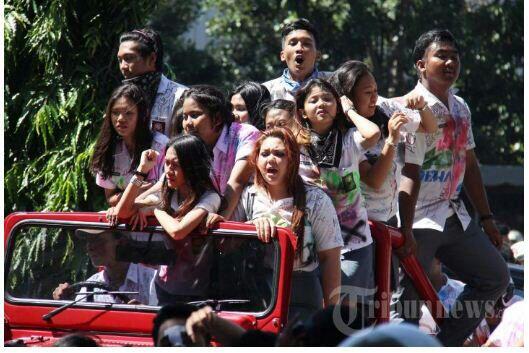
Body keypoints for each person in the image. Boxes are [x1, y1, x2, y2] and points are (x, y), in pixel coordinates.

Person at [394, 29, 510, 346]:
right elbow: (408, 173)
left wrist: (486, 218)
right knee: (405, 305)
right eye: (441, 55)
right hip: (415, 218)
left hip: (455, 215)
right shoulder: (405, 108)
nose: (449, 61)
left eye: (454, 56)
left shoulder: (461, 107)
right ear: (421, 64)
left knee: (496, 277)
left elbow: (469, 164)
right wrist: (404, 230)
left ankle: (442, 346)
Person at [215, 128, 343, 322]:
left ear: (292, 160)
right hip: (256, 293)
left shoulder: (316, 200)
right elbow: (224, 246)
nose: (270, 159)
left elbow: (330, 259)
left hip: (302, 294)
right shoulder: (248, 197)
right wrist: (250, 228)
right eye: (264, 154)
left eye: (279, 154)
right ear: (256, 160)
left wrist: (332, 318)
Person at [294, 79, 380, 308]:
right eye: (313, 100)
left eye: (328, 99)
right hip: (310, 245)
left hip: (352, 242)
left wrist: (349, 109)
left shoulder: (349, 138)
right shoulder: (294, 144)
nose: (321, 103)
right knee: (315, 314)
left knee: (346, 317)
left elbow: (373, 134)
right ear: (302, 112)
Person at [110, 134, 221, 304]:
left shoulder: (210, 197)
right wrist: (142, 170)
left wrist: (156, 210)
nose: (168, 170)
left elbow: (178, 231)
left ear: (192, 167)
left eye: (175, 165)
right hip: (162, 287)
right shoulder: (167, 186)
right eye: (166, 163)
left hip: (197, 295)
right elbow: (124, 212)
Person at [329, 60, 437, 225]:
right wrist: (392, 139)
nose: (374, 98)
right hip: (363, 222)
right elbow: (375, 181)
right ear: (348, 97)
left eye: (376, 91)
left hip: (390, 217)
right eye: (367, 93)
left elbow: (429, 127)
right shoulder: (342, 135)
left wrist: (422, 106)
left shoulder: (385, 109)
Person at [180, 85, 261, 220]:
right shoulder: (191, 145)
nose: (187, 123)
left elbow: (237, 182)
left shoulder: (246, 134)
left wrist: (218, 227)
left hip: (248, 222)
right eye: (184, 116)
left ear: (217, 118)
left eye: (194, 115)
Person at [91, 84, 167, 207]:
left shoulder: (162, 146)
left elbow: (168, 193)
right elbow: (110, 198)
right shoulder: (107, 149)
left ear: (142, 115)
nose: (120, 119)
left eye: (128, 113)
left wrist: (128, 196)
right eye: (115, 113)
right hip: (124, 219)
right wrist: (137, 191)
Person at [52, 229, 157, 305]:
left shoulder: (151, 280)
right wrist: (63, 302)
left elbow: (165, 324)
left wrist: (146, 316)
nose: (90, 247)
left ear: (121, 242)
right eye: (88, 240)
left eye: (97, 240)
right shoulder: (90, 286)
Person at [117, 28, 187, 136]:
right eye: (120, 60)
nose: (123, 66)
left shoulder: (181, 97)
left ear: (152, 58)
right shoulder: (119, 98)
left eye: (129, 58)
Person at [263, 19, 330, 101]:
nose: (299, 48)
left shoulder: (335, 83)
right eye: (293, 43)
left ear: (317, 55)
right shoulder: (266, 92)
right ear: (283, 55)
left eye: (306, 44)